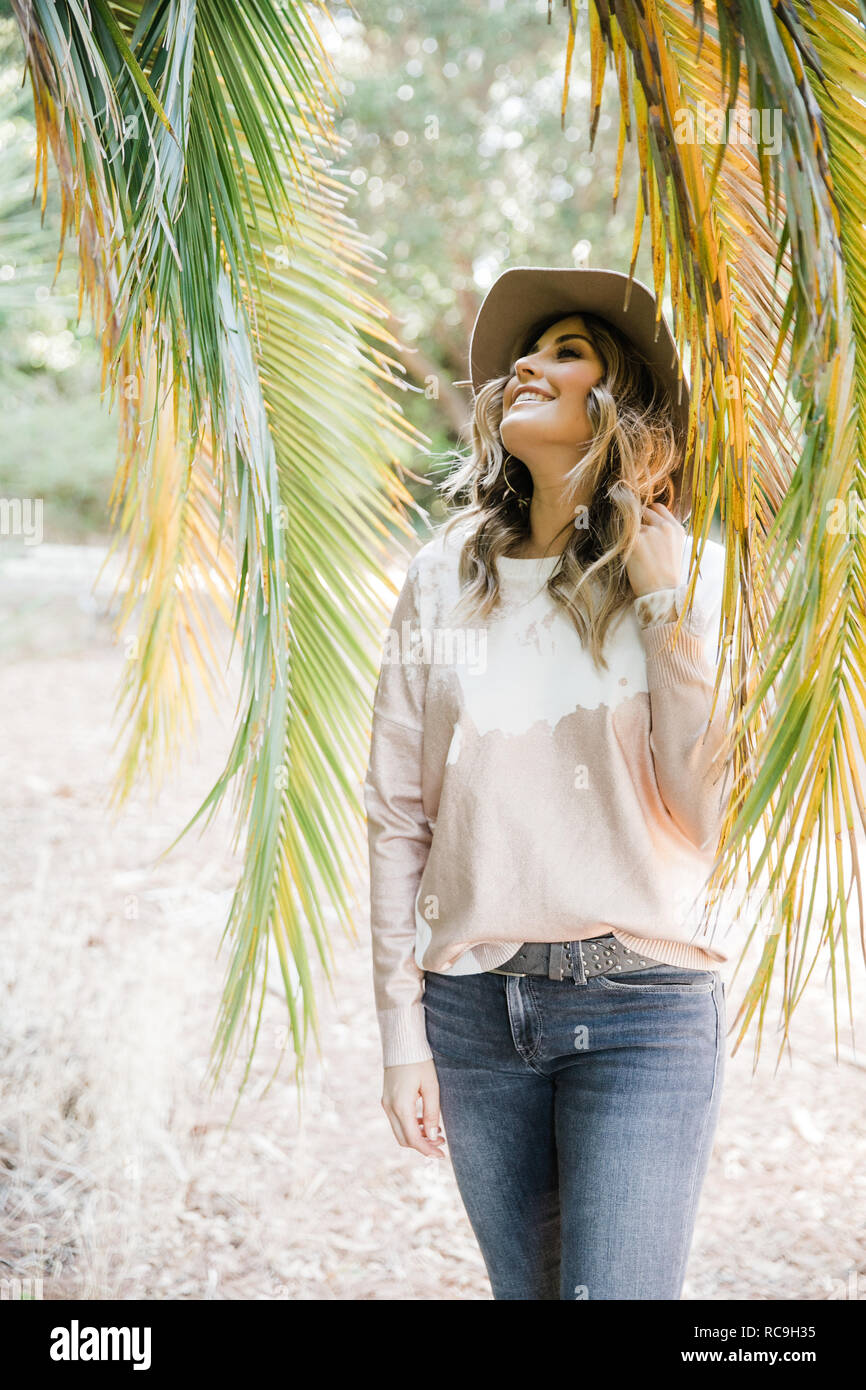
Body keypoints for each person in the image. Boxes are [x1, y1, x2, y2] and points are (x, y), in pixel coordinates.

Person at [363, 265, 737, 1300]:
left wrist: (664, 612)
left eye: (565, 350)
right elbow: (397, 816)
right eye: (529, 353)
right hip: (474, 1016)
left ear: (617, 403)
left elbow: (705, 816)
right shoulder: (441, 576)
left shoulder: (687, 573)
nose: (525, 363)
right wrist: (403, 1038)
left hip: (641, 1004)